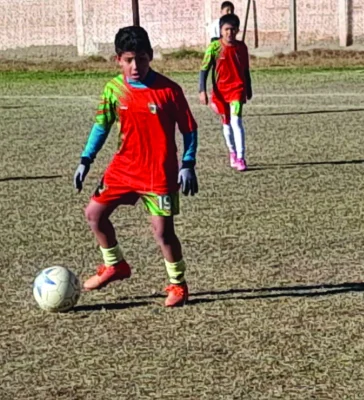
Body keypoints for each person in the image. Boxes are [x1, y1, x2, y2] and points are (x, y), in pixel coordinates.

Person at [72, 26, 199, 307]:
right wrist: (85, 159)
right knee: (94, 214)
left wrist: (188, 163)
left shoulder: (169, 90)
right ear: (118, 59)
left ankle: (178, 286)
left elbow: (189, 129)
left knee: (163, 233)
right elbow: (101, 126)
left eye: (141, 59)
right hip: (123, 168)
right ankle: (115, 264)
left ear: (150, 56)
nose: (135, 66)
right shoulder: (114, 89)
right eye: (128, 59)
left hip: (159, 173)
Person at [199, 13, 252, 171]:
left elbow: (246, 69)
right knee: (226, 123)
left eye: (233, 29)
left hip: (237, 89)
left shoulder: (241, 47)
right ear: (221, 30)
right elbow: (204, 69)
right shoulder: (214, 47)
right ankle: (232, 152)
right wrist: (202, 90)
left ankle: (241, 158)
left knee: (237, 121)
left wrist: (249, 88)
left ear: (238, 30)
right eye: (227, 29)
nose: (230, 33)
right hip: (220, 92)